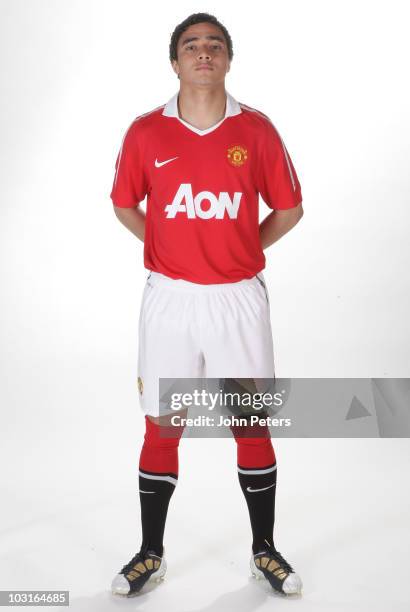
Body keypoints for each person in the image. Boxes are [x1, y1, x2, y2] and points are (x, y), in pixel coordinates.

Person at [109, 12, 304, 597]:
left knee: (251, 423)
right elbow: (124, 205)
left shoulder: (258, 131)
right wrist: (170, 246)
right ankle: (150, 554)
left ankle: (264, 552)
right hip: (169, 301)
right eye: (190, 46)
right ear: (174, 61)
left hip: (237, 300)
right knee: (163, 427)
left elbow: (289, 209)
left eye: (213, 46)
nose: (202, 54)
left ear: (227, 59)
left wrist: (242, 246)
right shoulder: (146, 132)